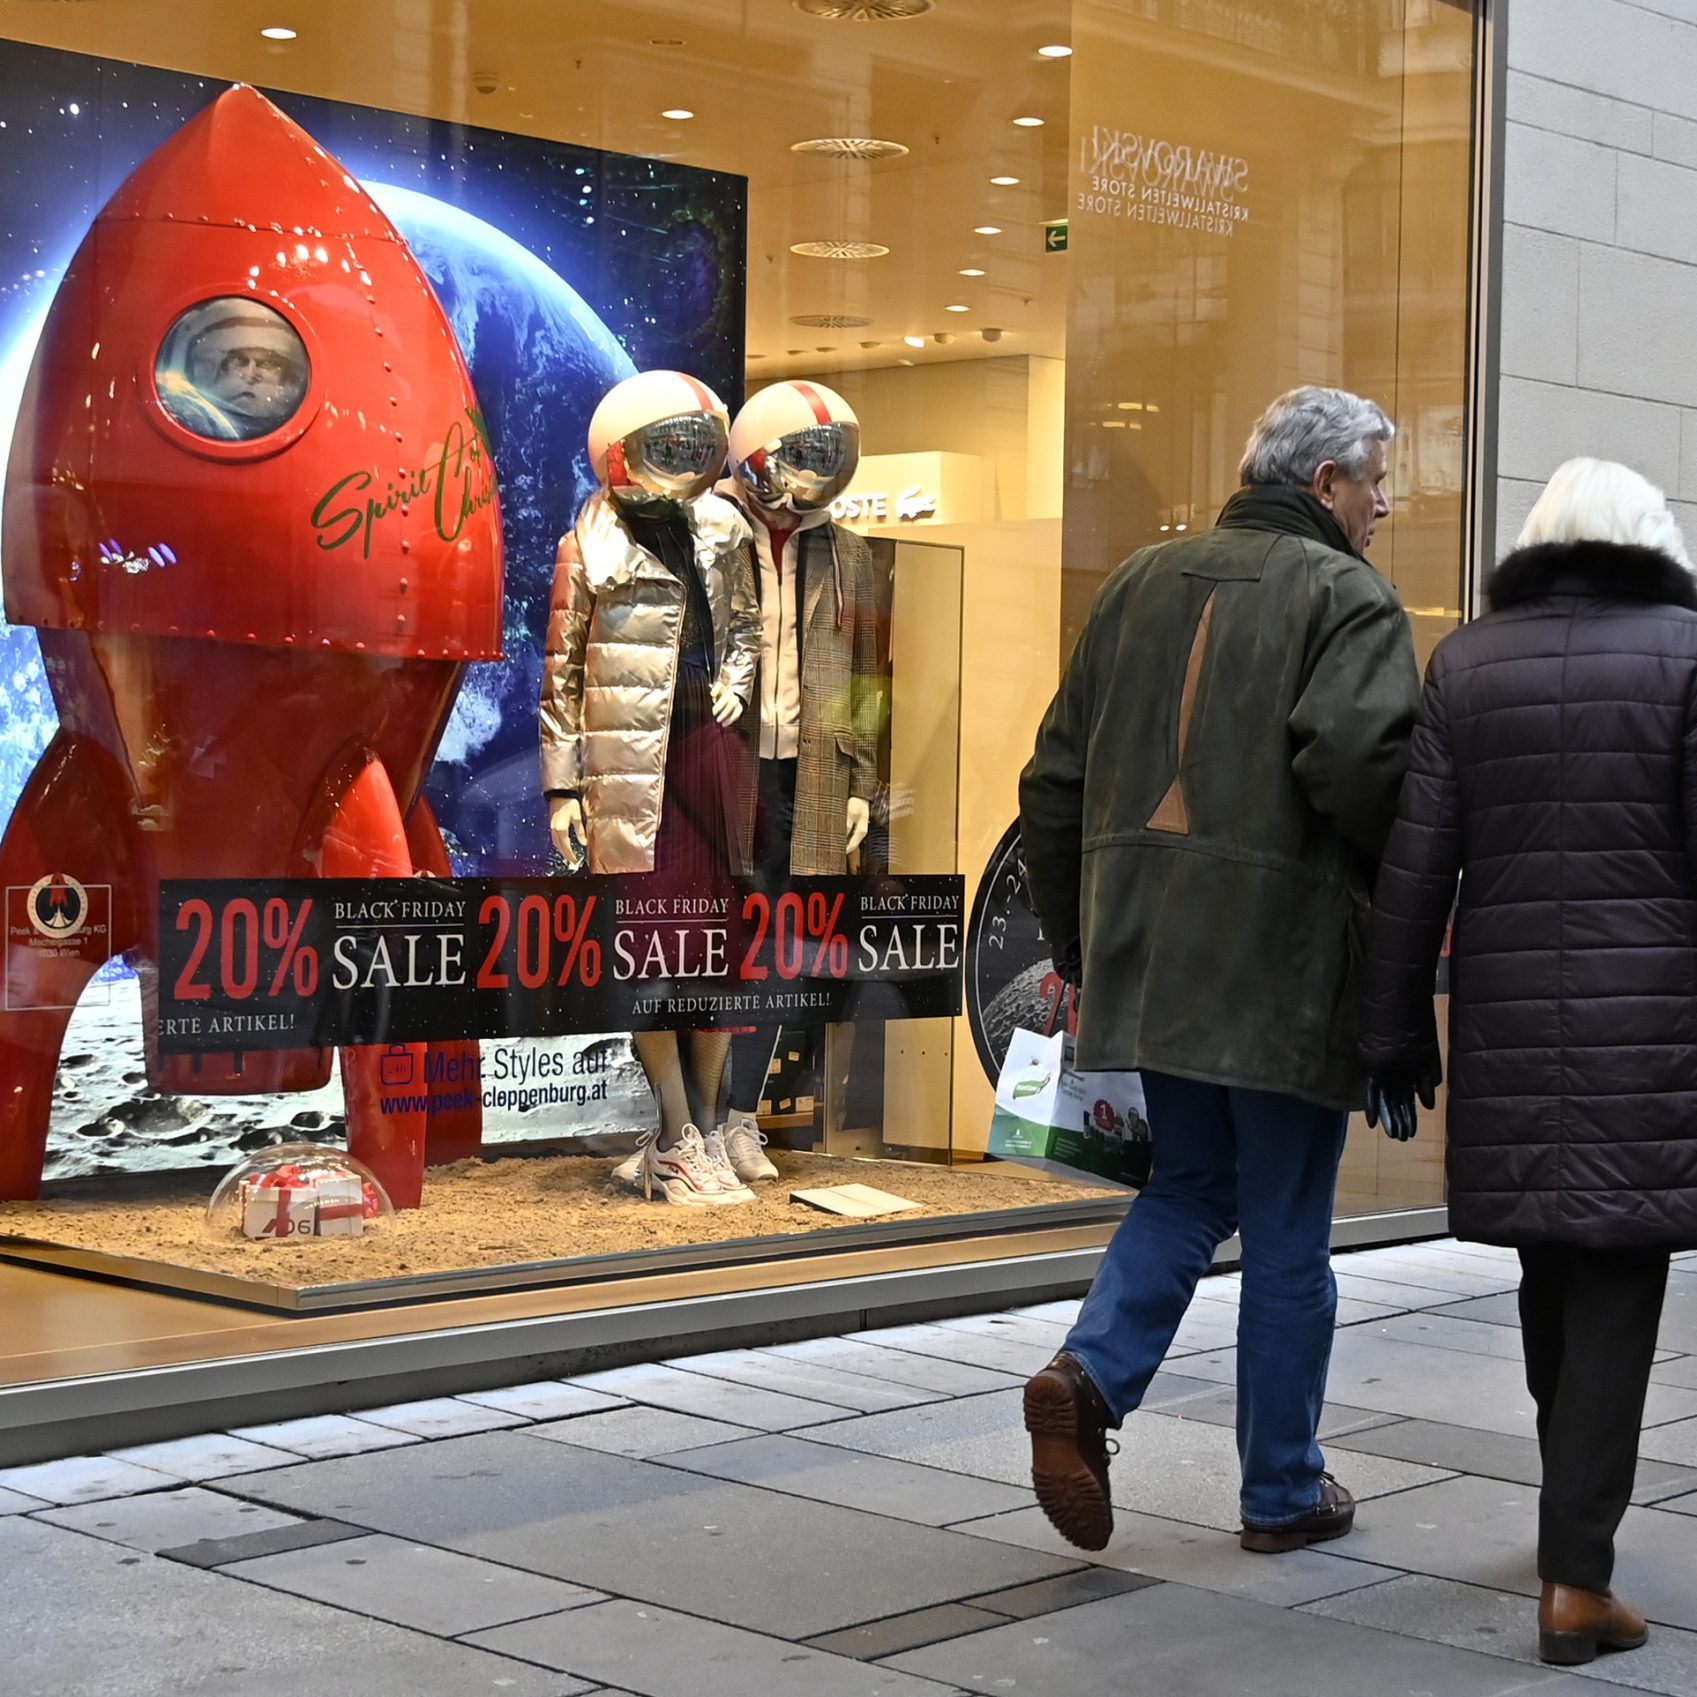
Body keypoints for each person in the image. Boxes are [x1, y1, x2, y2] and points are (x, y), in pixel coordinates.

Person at [1017, 385, 1420, 1555]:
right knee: (1289, 1224)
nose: (1384, 505)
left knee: (1190, 1185)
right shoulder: (1347, 595)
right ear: (1325, 482)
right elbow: (1360, 769)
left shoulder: (1138, 582)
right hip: (1282, 959)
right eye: (1374, 481)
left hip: (1151, 951)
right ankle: (1280, 1488)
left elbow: (1051, 783)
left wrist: (1081, 945)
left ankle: (1085, 1375)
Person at [1359, 457, 1697, 1667]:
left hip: (1508, 1014)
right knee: (1615, 1272)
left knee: (1553, 1264)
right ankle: (1575, 1578)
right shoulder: (1683, 651)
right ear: (1647, 538)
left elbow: (1417, 868)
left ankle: (1569, 1529)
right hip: (1651, 1025)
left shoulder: (1468, 663)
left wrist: (1392, 1024)